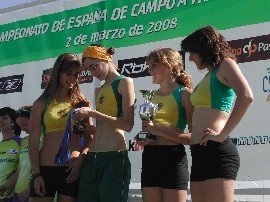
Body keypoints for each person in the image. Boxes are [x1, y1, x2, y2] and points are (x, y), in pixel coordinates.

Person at [181, 25, 254, 202]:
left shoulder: (225, 64)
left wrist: (222, 135)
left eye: (192, 52)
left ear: (204, 48)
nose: (190, 58)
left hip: (217, 152)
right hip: (198, 152)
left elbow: (246, 96)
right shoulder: (209, 75)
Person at [72, 44, 135, 202]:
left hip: (114, 157)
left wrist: (93, 113)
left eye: (94, 66)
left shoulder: (124, 82)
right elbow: (101, 128)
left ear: (106, 58)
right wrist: (85, 127)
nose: (93, 73)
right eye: (89, 70)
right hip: (93, 157)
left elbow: (128, 125)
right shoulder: (99, 89)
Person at [28, 53, 94, 202]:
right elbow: (33, 141)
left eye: (76, 74)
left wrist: (79, 163)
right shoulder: (41, 103)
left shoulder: (83, 103)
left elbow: (90, 139)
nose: (72, 78)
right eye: (68, 73)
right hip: (45, 169)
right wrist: (37, 174)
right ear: (57, 72)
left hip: (71, 171)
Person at [138, 48, 193, 202]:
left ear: (169, 66)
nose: (149, 70)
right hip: (150, 157)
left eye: (153, 65)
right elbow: (144, 132)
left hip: (173, 158)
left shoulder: (185, 94)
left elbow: (194, 137)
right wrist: (141, 139)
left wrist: (159, 130)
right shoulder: (148, 96)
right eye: (148, 66)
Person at [0, 107, 21, 202]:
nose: (0, 120)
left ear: (13, 121)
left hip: (10, 196)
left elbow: (20, 170)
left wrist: (4, 187)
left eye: (4, 118)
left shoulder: (21, 143)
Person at [13, 106, 32, 202]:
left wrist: (30, 189)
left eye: (25, 124)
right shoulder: (24, 140)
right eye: (20, 126)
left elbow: (46, 168)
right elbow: (19, 170)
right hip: (18, 192)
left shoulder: (46, 138)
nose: (23, 129)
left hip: (34, 191)